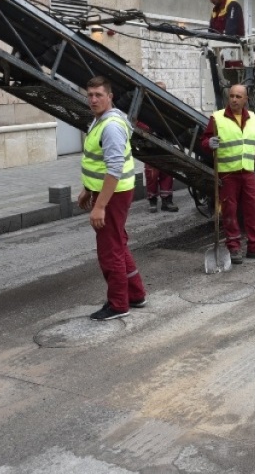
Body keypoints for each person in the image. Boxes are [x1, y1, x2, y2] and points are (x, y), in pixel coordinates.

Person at [77, 76, 146, 321]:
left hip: (113, 194)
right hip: (108, 191)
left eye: (99, 95)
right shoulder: (99, 120)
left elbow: (114, 169)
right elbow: (98, 162)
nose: (93, 99)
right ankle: (135, 294)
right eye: (90, 95)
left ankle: (118, 304)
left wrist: (100, 206)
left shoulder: (111, 126)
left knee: (110, 249)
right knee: (118, 242)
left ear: (110, 96)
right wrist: (88, 188)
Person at [201, 85, 255, 264]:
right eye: (231, 96)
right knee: (230, 212)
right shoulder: (217, 118)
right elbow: (203, 141)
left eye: (238, 96)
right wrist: (208, 143)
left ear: (245, 99)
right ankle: (233, 249)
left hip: (248, 173)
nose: (234, 99)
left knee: (253, 210)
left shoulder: (253, 119)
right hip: (227, 175)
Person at [139, 82, 179, 214]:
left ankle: (167, 201)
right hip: (151, 145)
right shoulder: (145, 106)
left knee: (167, 172)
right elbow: (138, 122)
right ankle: (152, 200)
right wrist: (149, 131)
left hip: (166, 144)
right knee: (152, 174)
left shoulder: (168, 107)